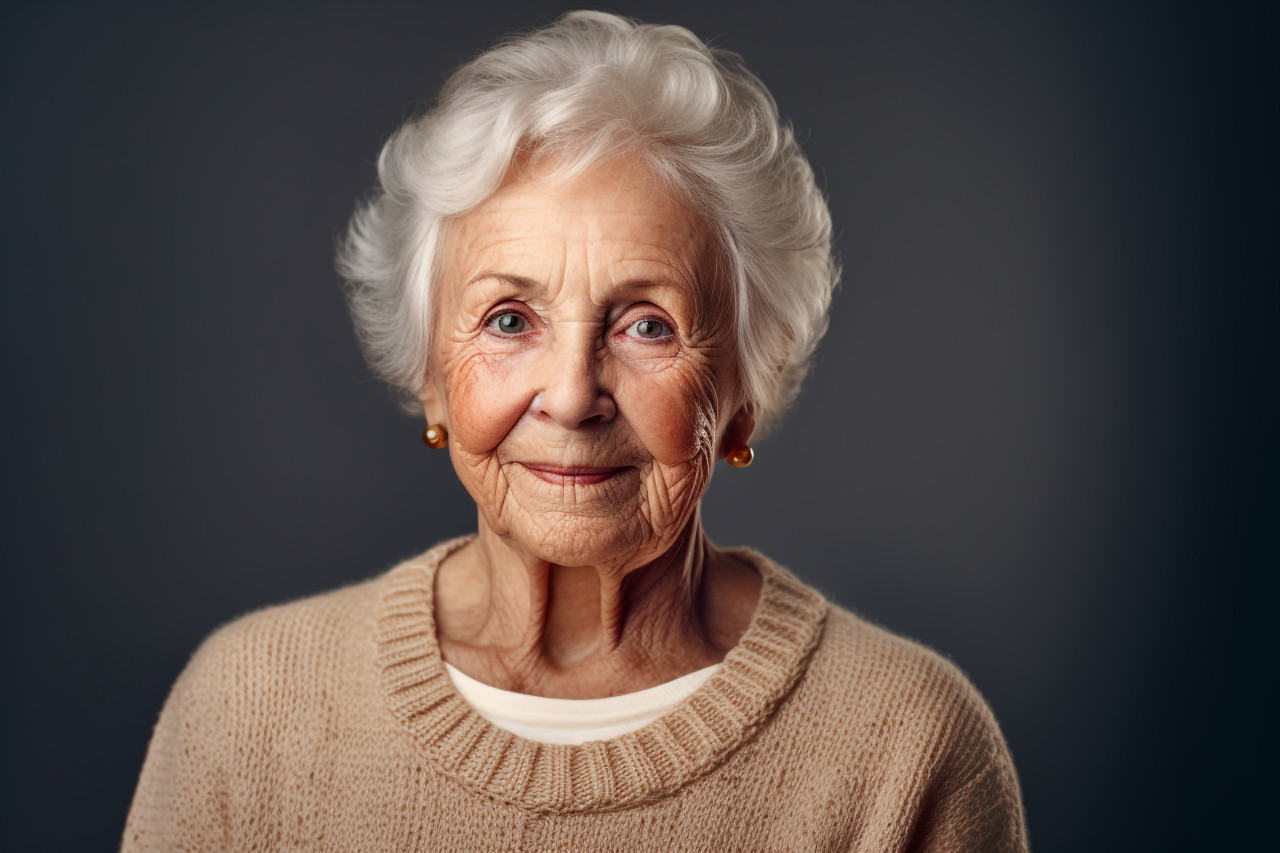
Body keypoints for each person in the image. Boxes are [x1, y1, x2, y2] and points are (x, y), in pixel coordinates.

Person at [122, 11, 1028, 851]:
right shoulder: (247, 712)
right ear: (431, 379)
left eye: (647, 325)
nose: (570, 396)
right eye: (509, 320)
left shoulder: (910, 748)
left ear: (745, 389)